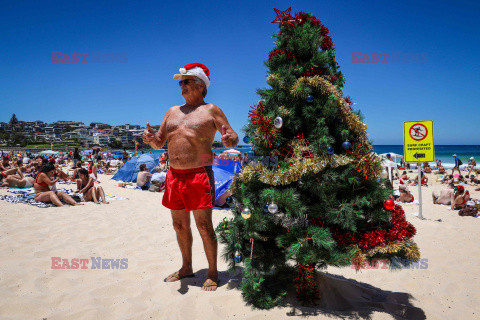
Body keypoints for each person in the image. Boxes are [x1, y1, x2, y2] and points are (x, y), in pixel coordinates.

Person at [143, 62, 238, 291]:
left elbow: (232, 136)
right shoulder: (172, 111)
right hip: (174, 175)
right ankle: (186, 267)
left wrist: (230, 139)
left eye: (186, 81)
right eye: (180, 82)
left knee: (204, 226)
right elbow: (159, 142)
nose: (181, 86)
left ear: (200, 85)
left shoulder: (211, 110)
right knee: (179, 225)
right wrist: (149, 139)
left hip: (200, 174)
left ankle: (213, 272)